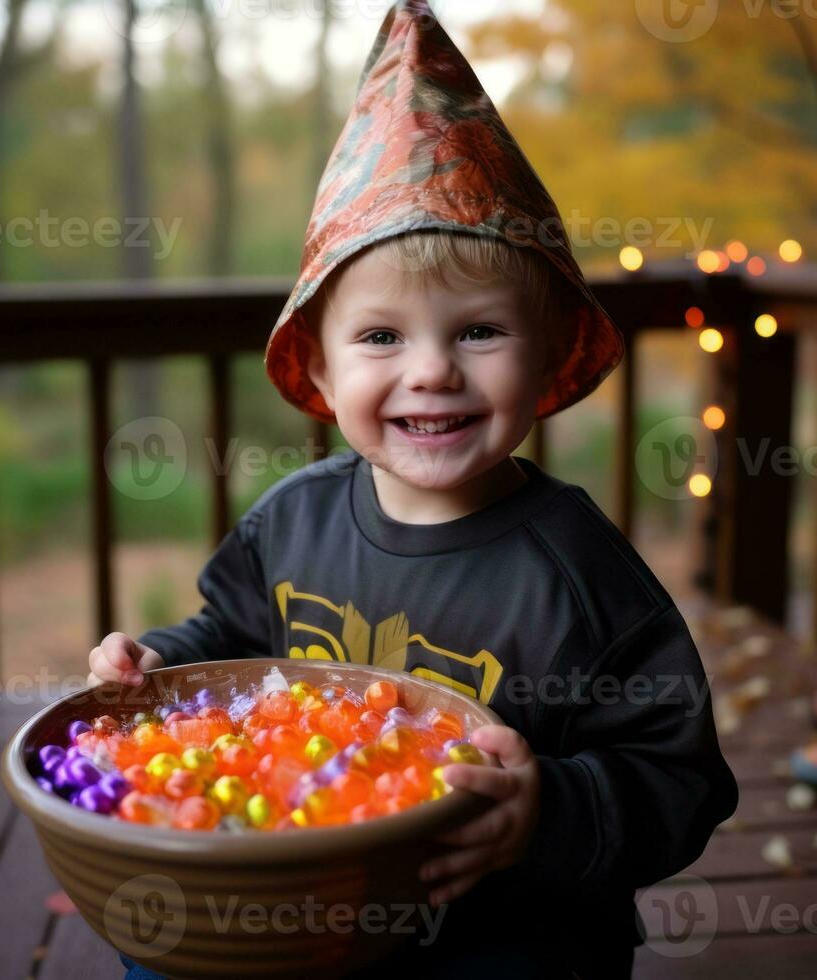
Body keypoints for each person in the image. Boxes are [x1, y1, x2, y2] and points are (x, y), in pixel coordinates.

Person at [90, 2, 738, 976]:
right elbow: (230, 641)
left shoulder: (576, 572)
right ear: (319, 365)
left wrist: (547, 810)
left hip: (499, 919)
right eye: (381, 336)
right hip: (318, 895)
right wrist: (155, 663)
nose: (430, 371)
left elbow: (678, 778)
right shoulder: (292, 521)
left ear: (548, 351)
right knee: (163, 946)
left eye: (477, 330)